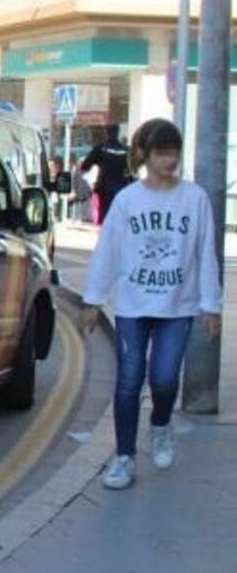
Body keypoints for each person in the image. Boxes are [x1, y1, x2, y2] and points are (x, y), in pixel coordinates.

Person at [82, 118, 223, 490]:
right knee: (129, 381)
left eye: (174, 152)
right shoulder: (128, 200)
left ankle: (160, 425)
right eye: (161, 152)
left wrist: (211, 305)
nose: (169, 160)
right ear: (144, 154)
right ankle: (124, 457)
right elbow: (108, 250)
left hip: (177, 306)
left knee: (164, 378)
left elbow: (205, 253)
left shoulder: (194, 198)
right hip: (132, 305)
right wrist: (93, 299)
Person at [80, 122, 132, 223]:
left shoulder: (100, 149)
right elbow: (133, 169)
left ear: (106, 133)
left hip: (105, 189)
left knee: (105, 218)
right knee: (121, 218)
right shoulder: (126, 150)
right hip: (122, 188)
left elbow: (84, 166)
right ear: (118, 133)